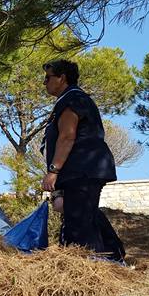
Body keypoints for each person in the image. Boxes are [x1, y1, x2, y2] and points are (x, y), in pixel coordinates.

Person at [40, 59, 126, 262]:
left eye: (48, 78)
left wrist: (53, 171)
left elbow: (67, 136)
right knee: (86, 215)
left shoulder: (73, 99)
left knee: (79, 226)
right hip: (82, 171)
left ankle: (92, 266)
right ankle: (114, 257)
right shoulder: (70, 99)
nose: (44, 82)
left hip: (82, 169)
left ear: (62, 78)